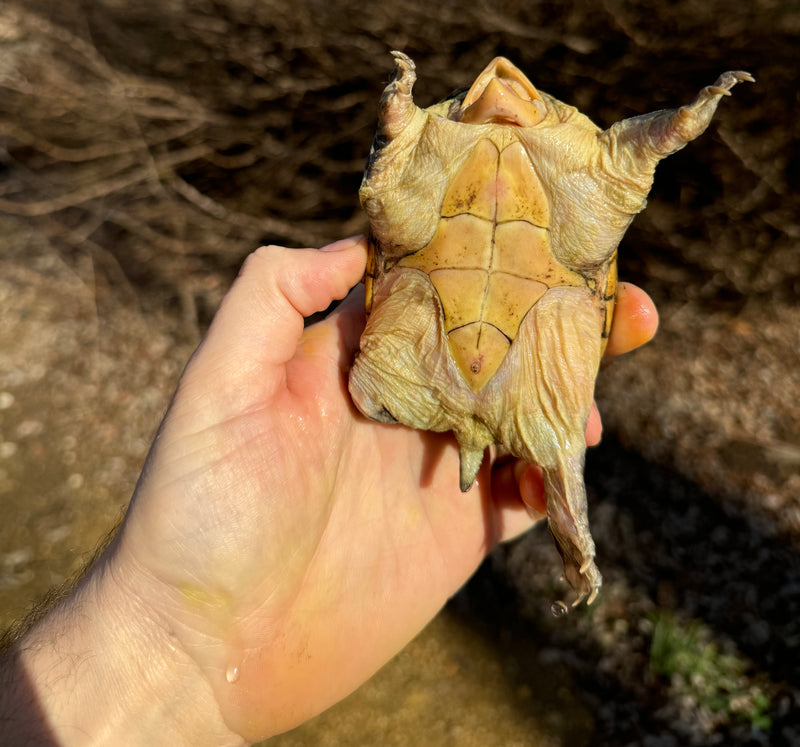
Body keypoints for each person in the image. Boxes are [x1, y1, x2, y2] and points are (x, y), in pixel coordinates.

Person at [0, 237, 658, 745]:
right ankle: (577, 543)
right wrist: (172, 635)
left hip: (429, 347)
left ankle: (577, 543)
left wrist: (166, 646)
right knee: (563, 420)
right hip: (469, 353)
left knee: (562, 430)